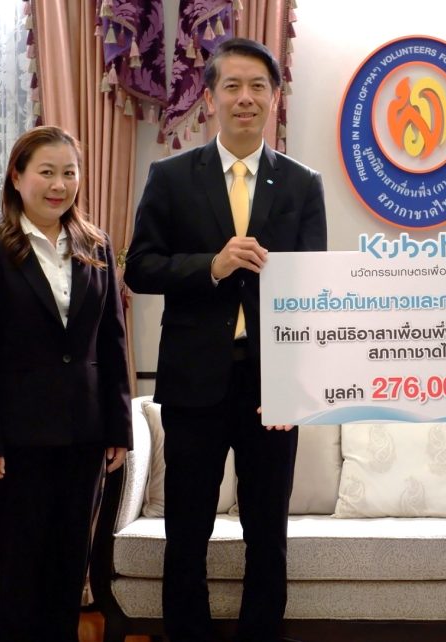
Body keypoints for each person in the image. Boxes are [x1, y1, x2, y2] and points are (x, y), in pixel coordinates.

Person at [124, 37, 327, 642]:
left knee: (268, 531)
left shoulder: (302, 184)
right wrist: (210, 267)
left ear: (274, 98)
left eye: (258, 86)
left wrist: (296, 386)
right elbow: (140, 268)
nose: (245, 98)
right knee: (187, 530)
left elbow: (312, 289)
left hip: (272, 387)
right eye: (232, 86)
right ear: (210, 99)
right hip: (194, 381)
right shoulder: (171, 176)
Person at [0, 125, 132, 641]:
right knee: (22, 574)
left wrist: (118, 428)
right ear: (17, 177)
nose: (59, 185)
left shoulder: (95, 244)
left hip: (85, 436)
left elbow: (113, 342)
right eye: (47, 172)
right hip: (17, 441)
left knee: (68, 572)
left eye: (69, 173)